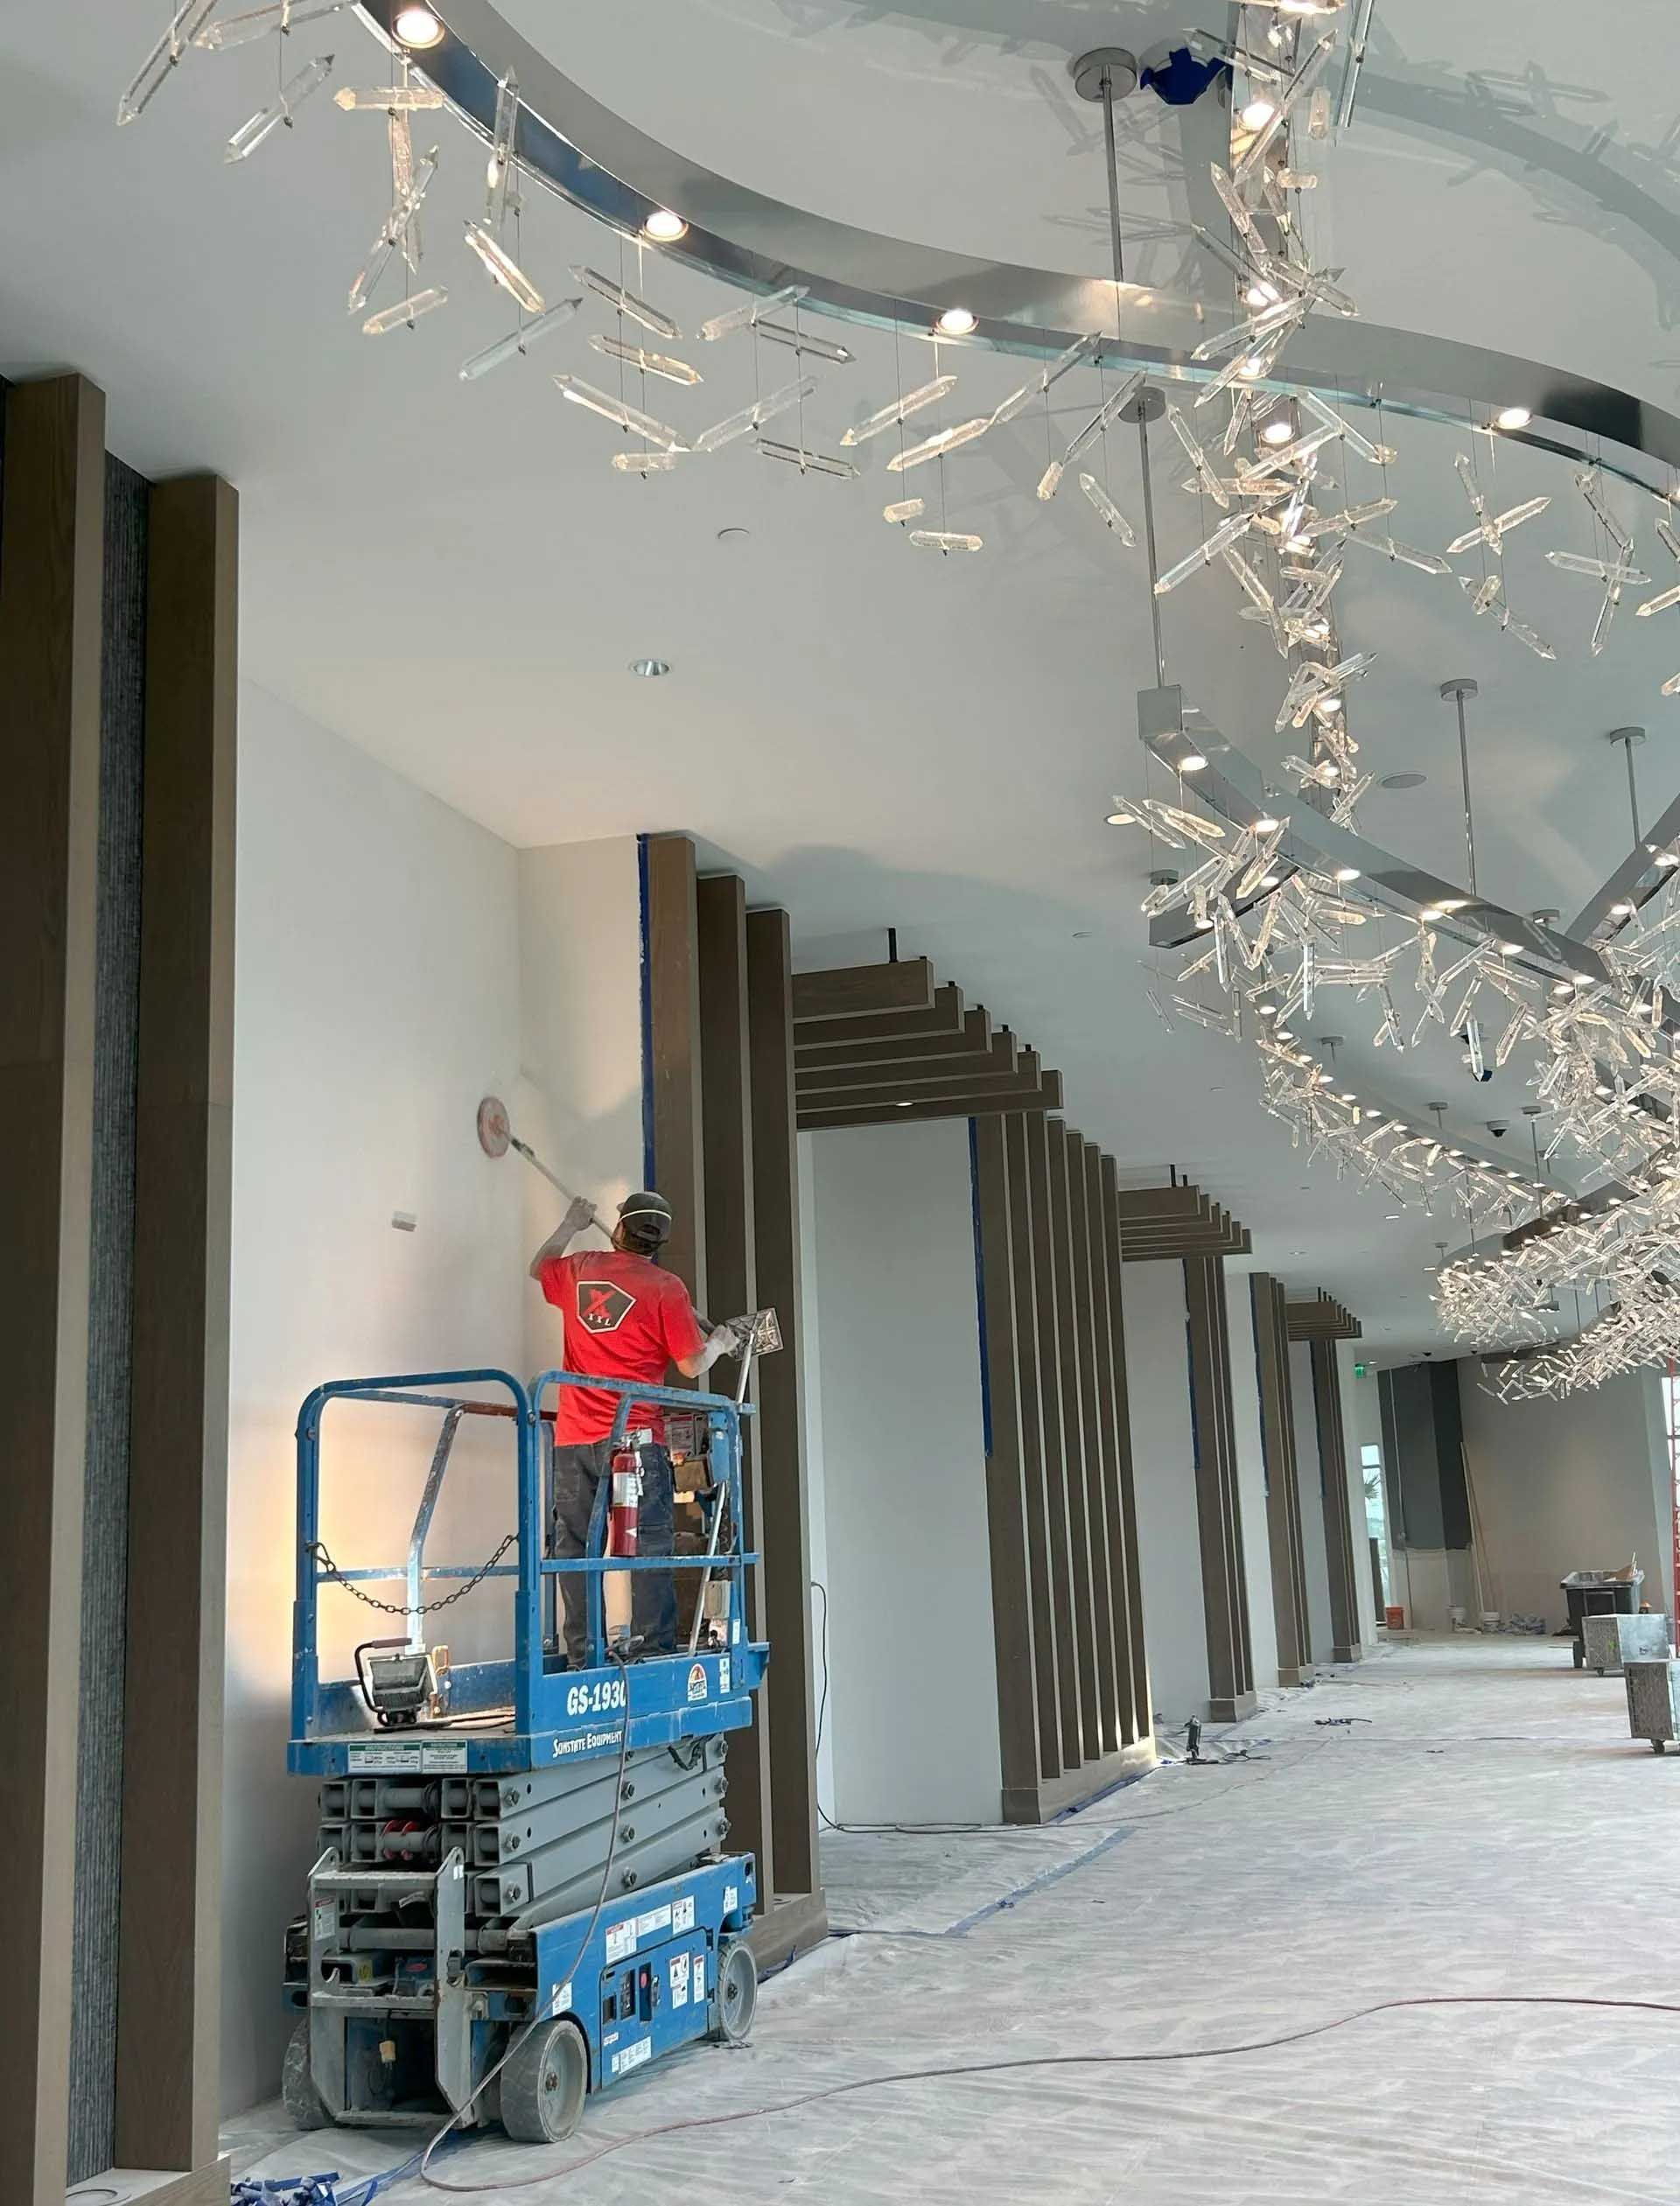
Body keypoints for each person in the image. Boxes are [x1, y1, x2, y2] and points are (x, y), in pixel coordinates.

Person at [530, 1189, 738, 1667]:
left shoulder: (582, 1267)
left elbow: (540, 1267)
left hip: (575, 1438)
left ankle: (585, 1654)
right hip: (635, 1442)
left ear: (620, 1227)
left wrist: (571, 1223)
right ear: (658, 1241)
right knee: (647, 1543)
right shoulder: (666, 1289)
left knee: (575, 1546)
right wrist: (722, 1343)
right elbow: (691, 1365)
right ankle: (652, 1650)